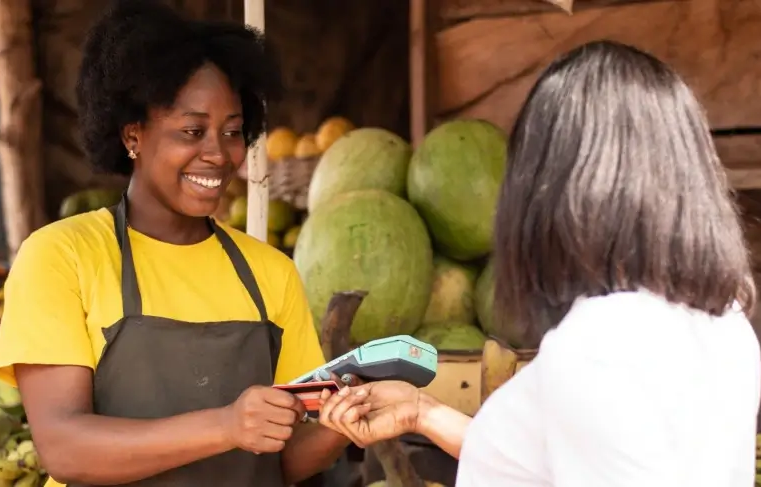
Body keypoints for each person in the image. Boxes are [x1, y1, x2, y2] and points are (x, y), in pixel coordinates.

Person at [318, 40, 761, 486]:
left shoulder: (595, 345)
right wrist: (423, 412)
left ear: (557, 186)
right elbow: (559, 464)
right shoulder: (725, 320)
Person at [0, 1, 355, 486]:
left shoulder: (270, 273)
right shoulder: (63, 257)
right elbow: (66, 448)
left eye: (232, 132)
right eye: (192, 131)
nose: (217, 153)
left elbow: (280, 460)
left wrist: (341, 426)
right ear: (133, 136)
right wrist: (227, 425)